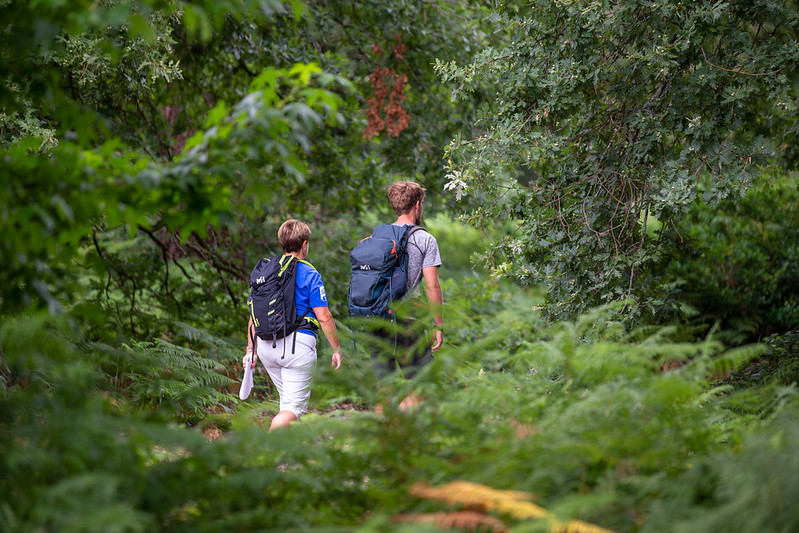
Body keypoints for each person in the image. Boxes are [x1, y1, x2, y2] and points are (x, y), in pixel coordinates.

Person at [245, 219, 342, 431]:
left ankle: (282, 459)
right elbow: (324, 316)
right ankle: (264, 451)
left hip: (265, 346)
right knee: (293, 409)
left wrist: (251, 350)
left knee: (286, 404)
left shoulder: (267, 272)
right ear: (304, 244)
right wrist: (336, 348)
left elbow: (254, 316)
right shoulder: (309, 273)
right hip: (297, 347)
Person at [371, 181, 443, 409]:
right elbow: (432, 286)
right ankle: (402, 419)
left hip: (377, 319)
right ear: (417, 204)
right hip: (408, 320)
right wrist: (438, 324)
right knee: (423, 385)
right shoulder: (425, 239)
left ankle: (384, 437)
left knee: (385, 388)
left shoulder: (376, 237)